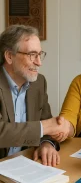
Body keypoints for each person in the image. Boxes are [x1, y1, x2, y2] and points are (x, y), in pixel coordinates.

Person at [0, 25, 70, 166]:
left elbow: (47, 123)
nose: (39, 62)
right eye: (32, 55)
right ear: (9, 56)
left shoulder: (38, 82)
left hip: (24, 164)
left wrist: (46, 143)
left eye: (40, 54)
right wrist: (45, 127)